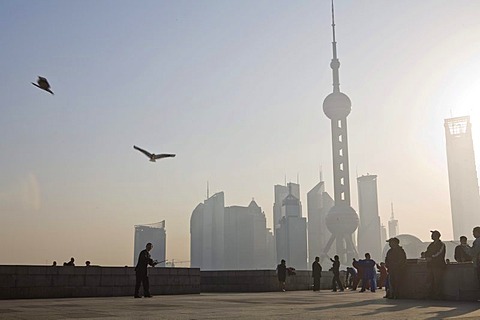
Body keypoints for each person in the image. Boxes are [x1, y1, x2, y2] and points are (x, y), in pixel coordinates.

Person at [424, 230, 446, 299]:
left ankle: (437, 295)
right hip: (430, 265)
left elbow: (439, 253)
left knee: (437, 281)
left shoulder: (441, 244)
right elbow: (427, 252)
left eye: (433, 235)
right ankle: (429, 294)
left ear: (437, 236)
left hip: (438, 265)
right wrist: (427, 256)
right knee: (429, 280)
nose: (432, 236)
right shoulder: (431, 245)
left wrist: (431, 258)